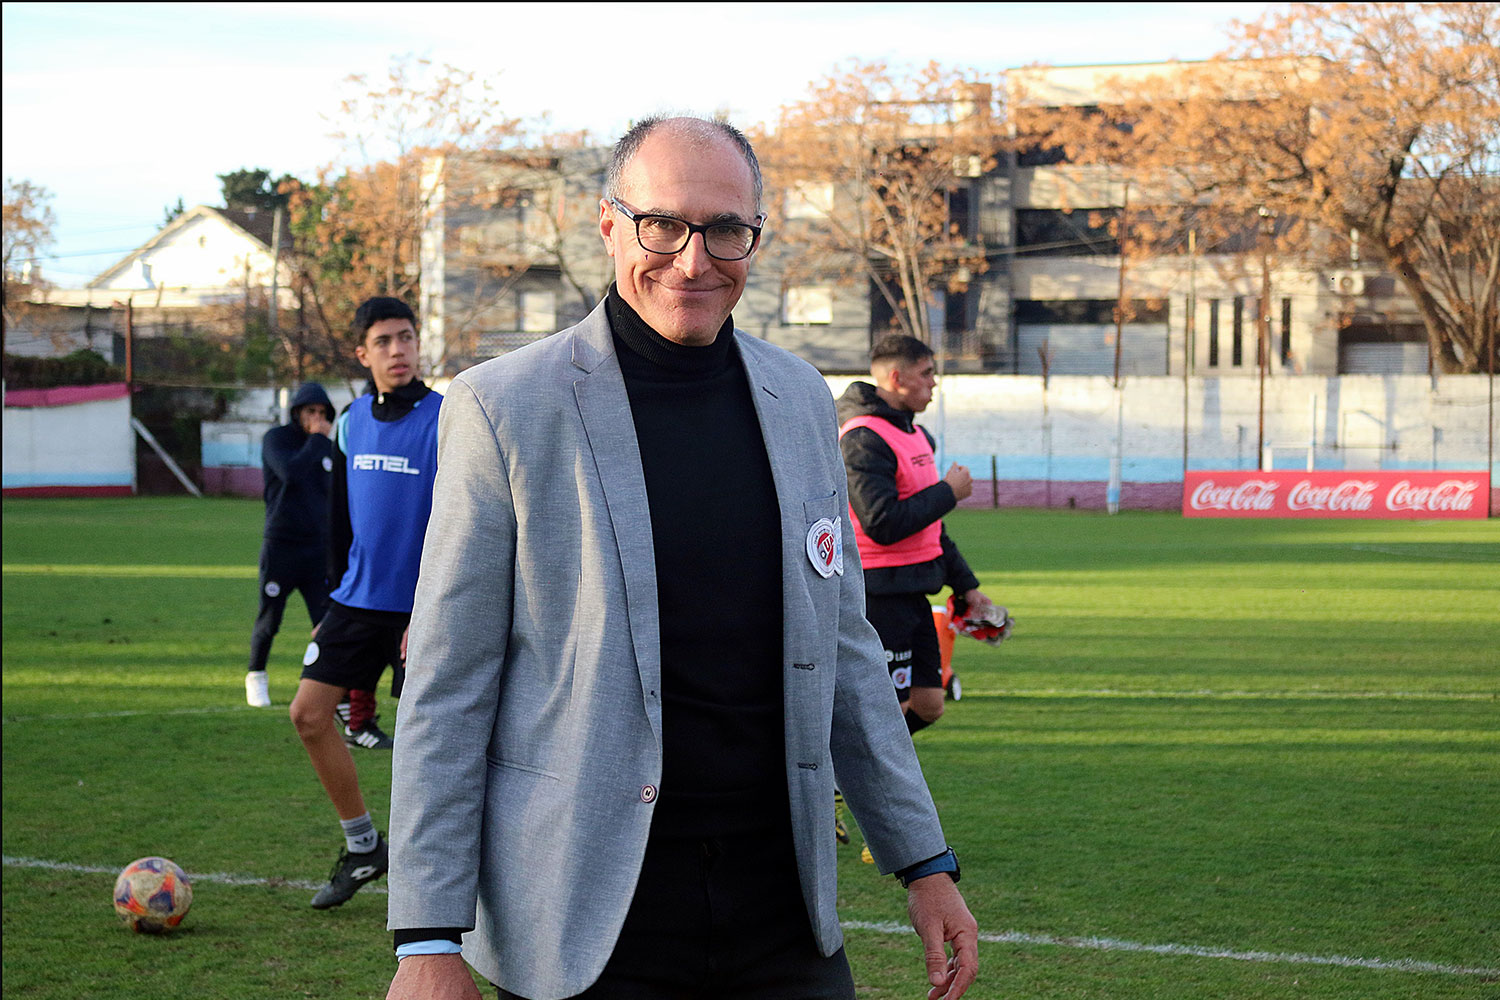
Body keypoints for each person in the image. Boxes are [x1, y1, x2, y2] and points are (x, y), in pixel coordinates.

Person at [386, 116, 977, 1000]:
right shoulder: (503, 408)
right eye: (662, 224)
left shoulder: (798, 400)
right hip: (586, 918)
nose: (694, 260)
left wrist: (924, 861)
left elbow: (845, 649)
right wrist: (426, 938)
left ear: (755, 237)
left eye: (725, 230)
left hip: (784, 911)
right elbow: (450, 680)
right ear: (610, 224)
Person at [289, 296, 442, 910]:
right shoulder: (351, 423)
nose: (397, 350)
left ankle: (434, 874)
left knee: (430, 747)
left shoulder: (447, 417)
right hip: (355, 602)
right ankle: (363, 848)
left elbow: (466, 522)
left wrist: (429, 608)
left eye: (406, 338)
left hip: (424, 607)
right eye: (383, 341)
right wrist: (331, 600)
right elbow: (339, 524)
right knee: (306, 715)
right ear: (363, 353)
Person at [836, 335, 995, 736]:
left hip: (914, 589)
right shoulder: (862, 438)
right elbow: (882, 522)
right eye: (926, 373)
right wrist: (948, 493)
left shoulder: (918, 436)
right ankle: (843, 779)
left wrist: (966, 587)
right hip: (878, 593)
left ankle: (848, 766)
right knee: (888, 710)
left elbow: (931, 529)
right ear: (896, 378)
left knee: (929, 703)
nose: (934, 383)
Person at [245, 381, 335, 709]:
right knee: (270, 620)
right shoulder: (277, 439)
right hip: (281, 546)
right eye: (311, 411)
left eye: (323, 413)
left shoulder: (327, 447)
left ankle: (322, 684)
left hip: (317, 551)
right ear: (297, 412)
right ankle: (256, 676)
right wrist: (315, 440)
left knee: (326, 624)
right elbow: (290, 472)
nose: (317, 418)